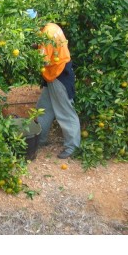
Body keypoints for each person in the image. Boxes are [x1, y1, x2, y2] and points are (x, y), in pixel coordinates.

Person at [28, 10, 81, 159]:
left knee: (65, 111)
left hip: (59, 76)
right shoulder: (51, 27)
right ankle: (41, 139)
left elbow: (42, 61)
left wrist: (25, 57)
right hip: (53, 74)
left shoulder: (46, 35)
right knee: (43, 109)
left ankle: (73, 146)